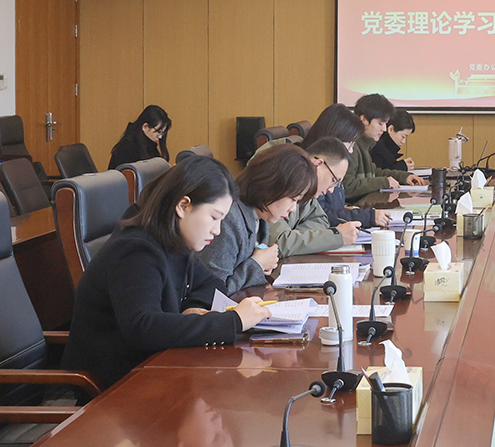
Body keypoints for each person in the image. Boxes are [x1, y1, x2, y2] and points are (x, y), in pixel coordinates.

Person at [63, 157, 269, 389]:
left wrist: (192, 308)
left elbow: (211, 283)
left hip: (153, 369)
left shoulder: (173, 239)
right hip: (112, 387)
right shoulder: (136, 250)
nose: (217, 230)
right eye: (214, 217)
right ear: (183, 206)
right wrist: (234, 321)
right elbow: (144, 327)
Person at [198, 143, 317, 295]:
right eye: (293, 199)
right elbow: (214, 292)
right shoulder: (229, 219)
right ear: (272, 185)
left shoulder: (260, 214)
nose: (293, 208)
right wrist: (258, 264)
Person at [343, 93, 422, 202]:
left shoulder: (365, 145)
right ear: (364, 120)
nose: (384, 129)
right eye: (380, 124)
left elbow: (374, 173)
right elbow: (347, 187)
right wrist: (384, 182)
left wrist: (403, 177)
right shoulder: (351, 147)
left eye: (385, 124)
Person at [108, 105, 172, 170]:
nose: (160, 137)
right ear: (145, 127)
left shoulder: (151, 147)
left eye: (162, 133)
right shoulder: (127, 147)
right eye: (158, 132)